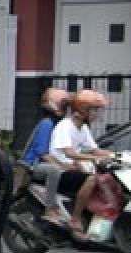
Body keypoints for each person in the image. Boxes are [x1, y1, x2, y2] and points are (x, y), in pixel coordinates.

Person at [49, 89, 115, 239]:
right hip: (61, 169)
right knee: (91, 179)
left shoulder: (83, 128)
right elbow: (69, 153)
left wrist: (118, 155)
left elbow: (95, 150)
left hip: (75, 169)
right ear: (82, 109)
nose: (96, 114)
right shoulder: (65, 126)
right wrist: (92, 159)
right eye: (93, 110)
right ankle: (75, 219)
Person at [20, 87, 72, 225]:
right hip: (32, 165)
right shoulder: (47, 124)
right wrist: (62, 166)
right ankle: (50, 209)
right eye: (64, 105)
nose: (66, 109)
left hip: (40, 163)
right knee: (54, 171)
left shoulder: (58, 124)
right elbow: (42, 153)